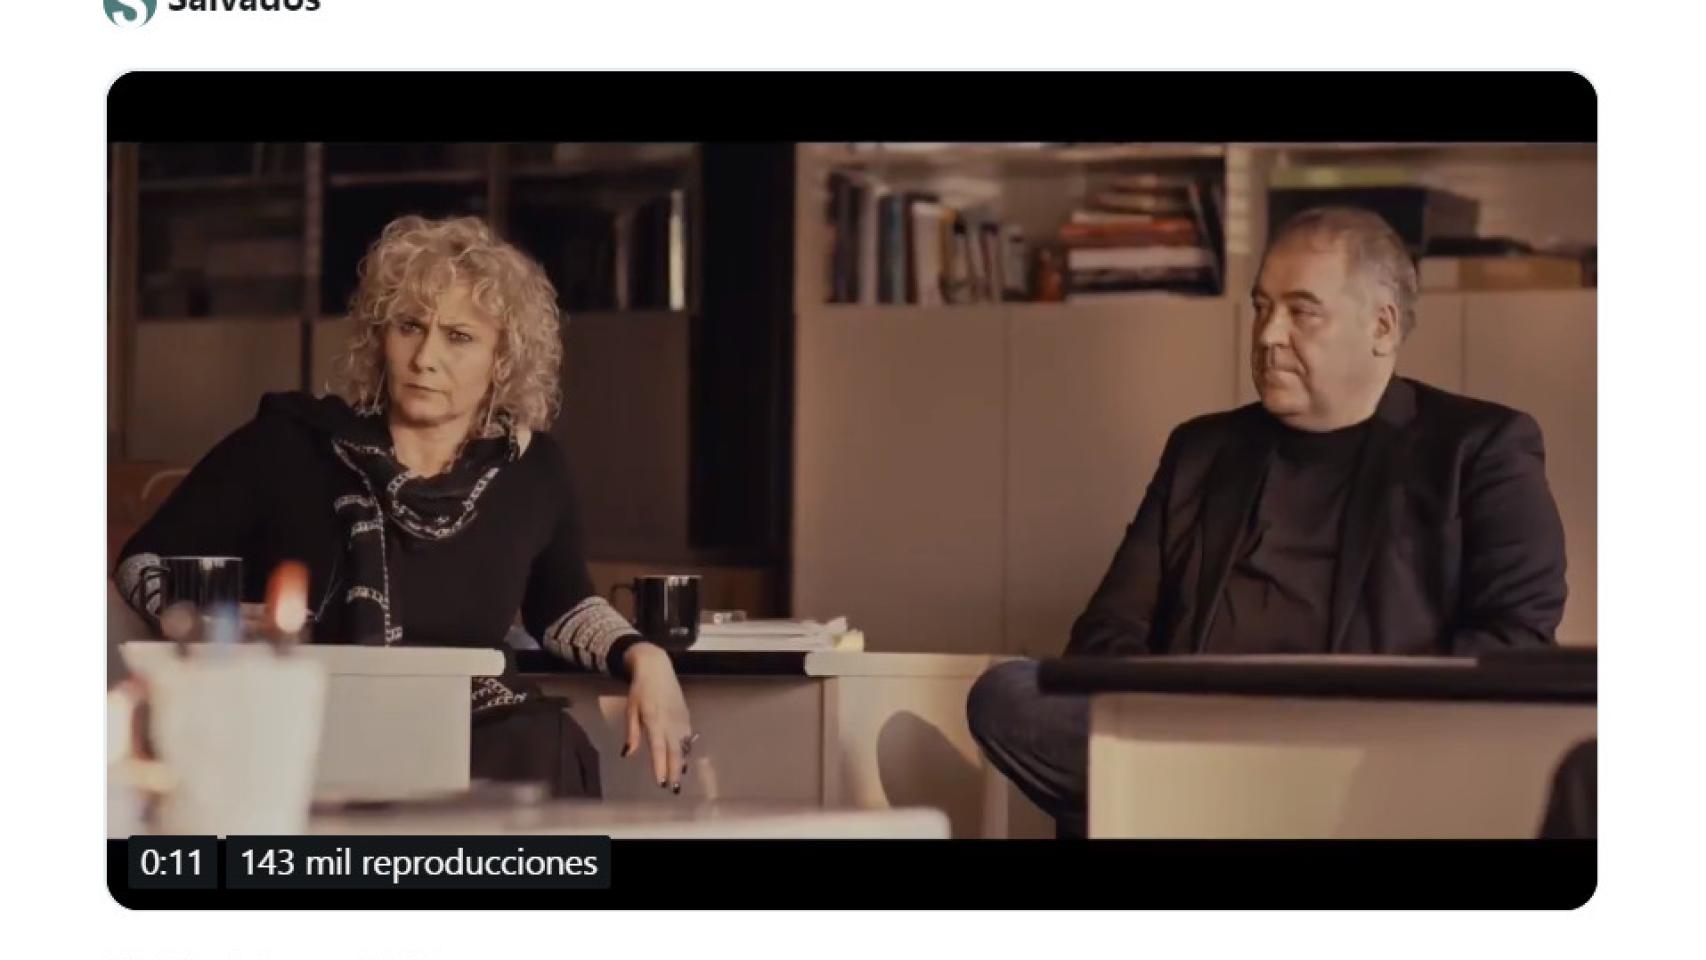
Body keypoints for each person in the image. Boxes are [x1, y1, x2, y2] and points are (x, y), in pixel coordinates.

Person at [968, 207, 1569, 837]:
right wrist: (1168, 713)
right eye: (1261, 307)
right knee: (1010, 695)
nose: (1267, 334)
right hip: (1191, 732)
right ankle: (1241, 798)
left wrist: (1366, 717)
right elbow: (1108, 632)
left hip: (1365, 745)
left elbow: (1514, 641)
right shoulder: (1202, 451)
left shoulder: (1478, 448)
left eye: (1302, 311)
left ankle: (1223, 801)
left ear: (1382, 326)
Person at [113, 215, 696, 798]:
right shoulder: (289, 444)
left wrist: (645, 656)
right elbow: (142, 561)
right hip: (307, 731)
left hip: (474, 732)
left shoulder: (533, 469)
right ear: (380, 335)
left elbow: (563, 607)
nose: (425, 358)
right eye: (409, 326)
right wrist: (205, 618)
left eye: (459, 337)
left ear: (503, 359)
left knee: (547, 745)